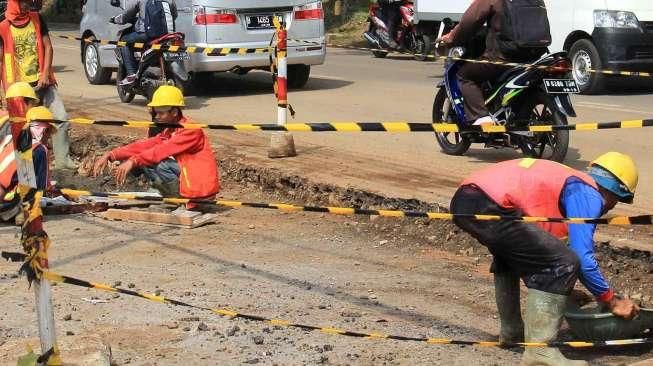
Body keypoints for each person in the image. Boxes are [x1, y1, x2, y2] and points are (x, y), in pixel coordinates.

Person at [450, 153, 640, 366]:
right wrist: (612, 301)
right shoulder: (588, 193)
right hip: (488, 203)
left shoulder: (569, 182)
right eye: (617, 201)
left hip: (468, 198)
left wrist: (565, 290)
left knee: (512, 256)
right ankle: (539, 355)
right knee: (565, 263)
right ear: (613, 191)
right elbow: (581, 258)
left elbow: (537, 257)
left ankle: (512, 332)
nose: (612, 207)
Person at [92, 86, 219, 206]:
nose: (157, 117)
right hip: (192, 180)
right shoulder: (170, 130)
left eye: (161, 113)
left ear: (174, 112)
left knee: (160, 164)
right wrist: (111, 154)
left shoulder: (190, 130)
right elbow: (145, 145)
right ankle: (171, 197)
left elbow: (160, 151)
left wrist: (132, 161)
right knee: (146, 161)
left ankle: (180, 201)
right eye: (155, 113)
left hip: (200, 188)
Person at [439, 0, 548, 125]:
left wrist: (452, 38)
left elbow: (470, 21)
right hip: (534, 56)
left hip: (503, 58)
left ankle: (480, 116)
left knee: (464, 75)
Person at [0, 0, 75, 169]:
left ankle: (62, 161)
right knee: (21, 129)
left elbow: (48, 47)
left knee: (60, 117)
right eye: (25, 2)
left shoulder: (37, 19)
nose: (29, 5)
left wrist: (45, 73)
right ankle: (24, 172)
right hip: (18, 89)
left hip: (43, 83)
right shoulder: (3, 27)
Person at [110, 0, 177, 86]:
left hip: (147, 33)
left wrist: (115, 19)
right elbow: (174, 15)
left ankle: (131, 74)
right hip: (167, 34)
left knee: (123, 41)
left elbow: (126, 15)